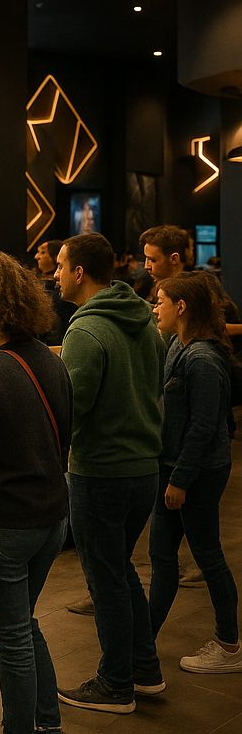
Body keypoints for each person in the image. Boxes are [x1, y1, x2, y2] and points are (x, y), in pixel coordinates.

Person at [0, 252, 73, 734]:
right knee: (24, 622)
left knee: (12, 637)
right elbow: (65, 436)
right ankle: (48, 720)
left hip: (4, 525)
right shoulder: (51, 357)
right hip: (52, 518)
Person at [54, 233, 165, 714]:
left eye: (60, 265)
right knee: (121, 571)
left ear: (80, 273)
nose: (54, 273)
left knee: (105, 580)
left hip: (100, 471)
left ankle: (115, 683)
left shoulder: (85, 332)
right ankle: (144, 668)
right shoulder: (144, 321)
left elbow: (69, 410)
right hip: (145, 469)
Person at [148, 273, 241, 673]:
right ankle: (143, 639)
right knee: (161, 556)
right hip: (174, 467)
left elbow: (204, 427)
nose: (155, 307)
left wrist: (181, 480)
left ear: (181, 307)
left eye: (160, 301)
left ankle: (230, 646)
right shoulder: (176, 344)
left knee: (208, 555)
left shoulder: (202, 358)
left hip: (197, 472)